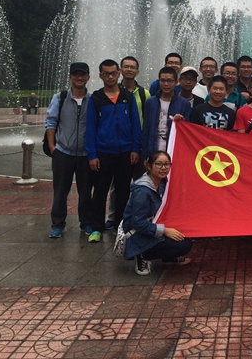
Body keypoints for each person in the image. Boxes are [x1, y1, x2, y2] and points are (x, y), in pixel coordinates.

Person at [86, 59, 141, 243]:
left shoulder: (128, 97)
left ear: (118, 74)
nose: (110, 76)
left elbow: (135, 125)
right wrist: (92, 154)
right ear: (100, 76)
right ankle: (97, 227)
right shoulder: (96, 99)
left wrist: (135, 148)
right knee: (100, 191)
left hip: (125, 152)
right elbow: (91, 128)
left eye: (113, 73)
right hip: (103, 152)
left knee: (123, 191)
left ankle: (120, 225)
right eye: (106, 73)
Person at [122, 150, 193, 275]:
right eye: (159, 164)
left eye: (167, 164)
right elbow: (138, 223)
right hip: (137, 233)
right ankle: (143, 254)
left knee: (186, 234)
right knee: (184, 245)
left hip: (154, 224)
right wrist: (165, 231)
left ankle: (167, 257)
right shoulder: (142, 191)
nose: (163, 168)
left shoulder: (162, 182)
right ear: (149, 166)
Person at [45, 62, 93, 238]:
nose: (79, 77)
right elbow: (51, 122)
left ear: (88, 77)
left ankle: (86, 222)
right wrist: (53, 147)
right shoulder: (60, 98)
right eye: (76, 74)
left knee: (85, 191)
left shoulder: (93, 99)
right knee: (60, 191)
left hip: (85, 154)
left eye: (83, 74)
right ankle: (57, 224)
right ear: (70, 76)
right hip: (63, 152)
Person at [141, 67, 192, 162]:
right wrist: (145, 156)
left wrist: (182, 122)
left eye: (169, 81)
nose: (166, 84)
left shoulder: (184, 104)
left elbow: (187, 132)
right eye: (163, 80)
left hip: (173, 151)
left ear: (176, 82)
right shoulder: (150, 102)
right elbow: (146, 129)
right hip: (153, 150)